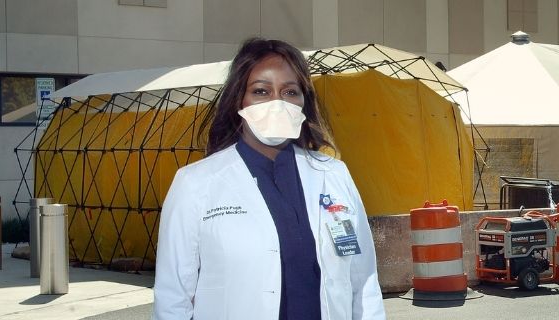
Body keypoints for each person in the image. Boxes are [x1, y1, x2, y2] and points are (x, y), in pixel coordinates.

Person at [154, 38, 385, 320]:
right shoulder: (195, 184)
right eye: (261, 91)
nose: (278, 103)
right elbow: (173, 297)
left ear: (304, 101)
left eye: (290, 92)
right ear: (239, 99)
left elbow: (363, 282)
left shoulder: (334, 175)